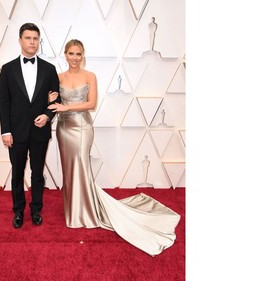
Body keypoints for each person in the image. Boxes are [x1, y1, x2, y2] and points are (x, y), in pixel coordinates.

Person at [48, 39, 180, 256]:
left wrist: (65, 106)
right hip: (63, 128)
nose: (74, 58)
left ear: (83, 55)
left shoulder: (90, 76)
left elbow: (91, 104)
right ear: (65, 54)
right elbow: (53, 104)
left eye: (78, 54)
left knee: (82, 167)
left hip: (81, 127)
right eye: (71, 53)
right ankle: (73, 211)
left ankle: (87, 212)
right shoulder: (59, 77)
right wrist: (51, 98)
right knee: (69, 170)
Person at [0, 23, 61, 229]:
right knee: (17, 173)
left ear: (38, 41)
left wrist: (47, 115)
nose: (32, 42)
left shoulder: (49, 69)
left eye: (35, 38)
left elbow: (55, 100)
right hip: (15, 132)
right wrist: (6, 131)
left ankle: (35, 209)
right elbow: (4, 103)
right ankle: (18, 211)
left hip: (40, 131)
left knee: (37, 173)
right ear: (20, 41)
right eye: (28, 38)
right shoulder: (7, 69)